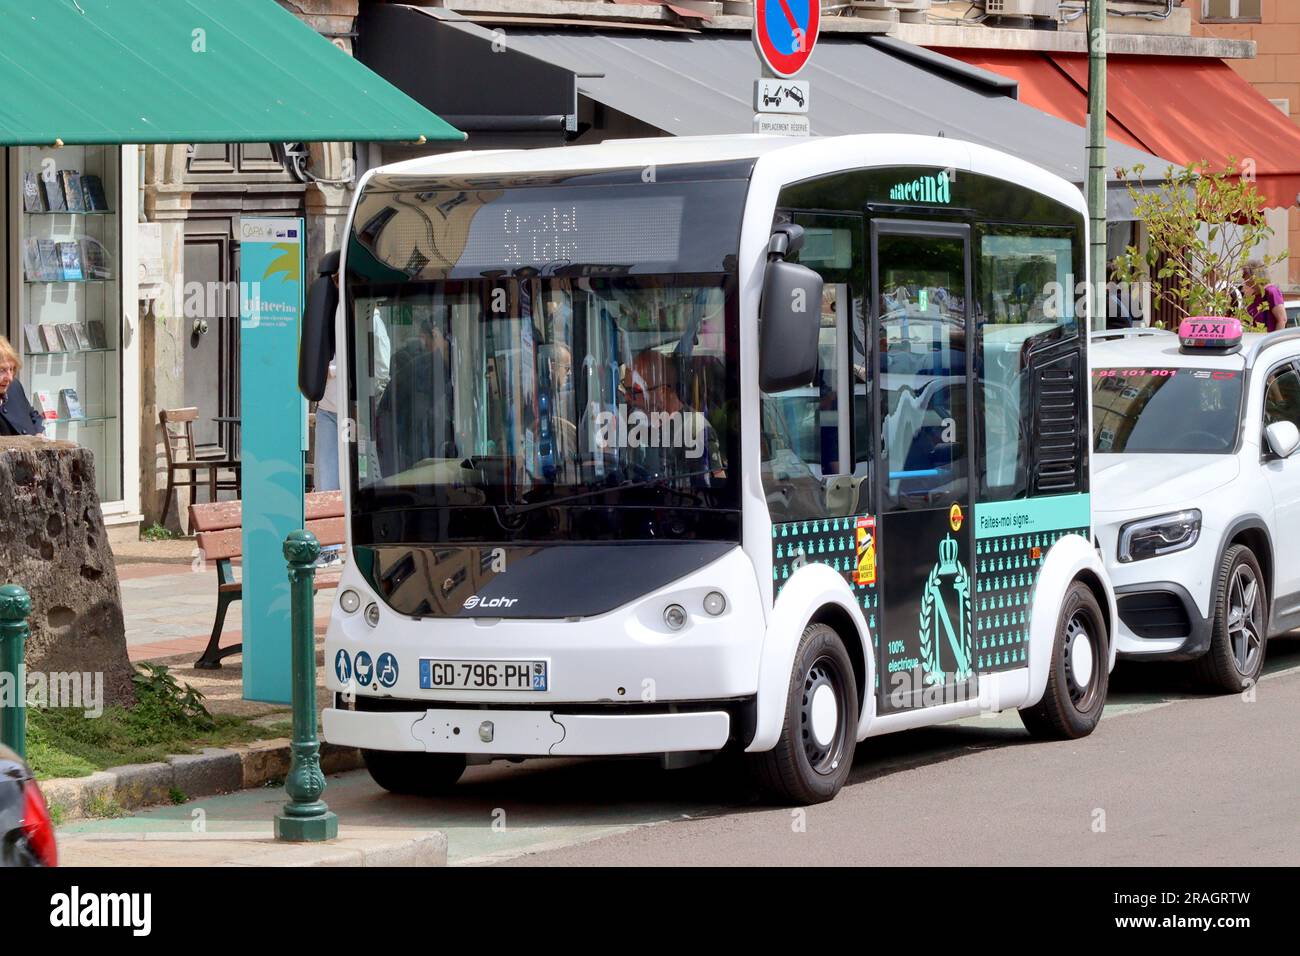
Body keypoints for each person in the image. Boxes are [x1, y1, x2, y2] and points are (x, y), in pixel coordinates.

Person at [0, 336, 45, 437]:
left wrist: (38, 433)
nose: (9, 378)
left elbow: (33, 415)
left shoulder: (14, 386)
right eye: (2, 370)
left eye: (11, 369)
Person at [1244, 259, 1288, 332]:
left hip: (1267, 341)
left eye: (1245, 273)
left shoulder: (1271, 292)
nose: (1242, 277)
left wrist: (1273, 340)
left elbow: (1282, 320)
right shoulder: (1254, 295)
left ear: (1254, 275)